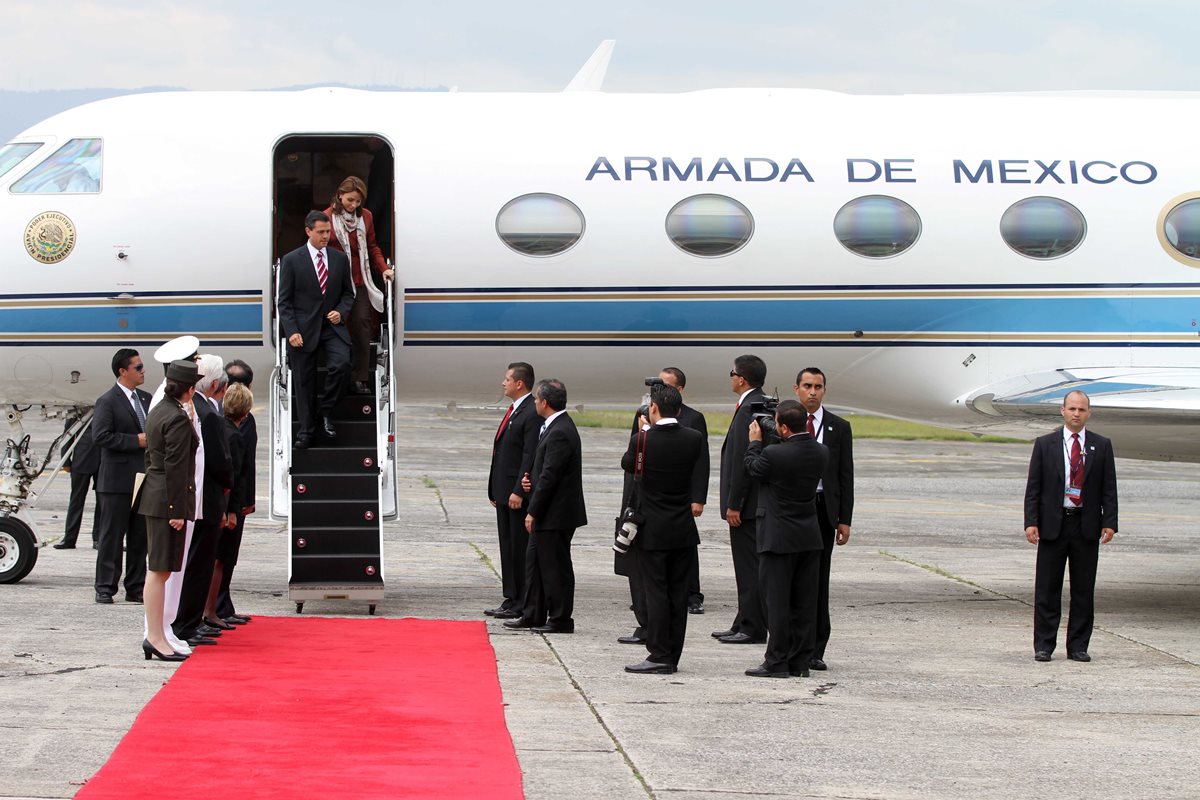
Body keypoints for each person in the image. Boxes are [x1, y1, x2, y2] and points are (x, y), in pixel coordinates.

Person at [1024, 390, 1118, 663]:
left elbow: (1108, 488)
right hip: (1054, 524)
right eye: (1072, 409)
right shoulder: (1045, 444)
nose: (1077, 414)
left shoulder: (1101, 445)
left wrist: (1109, 521)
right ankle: (1043, 644)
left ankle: (1078, 646)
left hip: (1086, 524)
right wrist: (1031, 522)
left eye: (1082, 409)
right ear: (1062, 411)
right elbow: (1034, 487)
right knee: (1047, 588)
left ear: (1089, 413)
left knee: (1083, 589)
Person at [617, 367, 709, 646]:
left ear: (654, 408)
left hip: (653, 528)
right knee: (677, 593)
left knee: (655, 590)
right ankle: (672, 652)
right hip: (681, 526)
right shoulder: (693, 438)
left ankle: (657, 651)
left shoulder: (644, 440)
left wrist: (646, 432)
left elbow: (629, 464)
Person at [743, 399, 828, 678]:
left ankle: (776, 660)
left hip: (778, 536)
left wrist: (755, 442)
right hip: (808, 536)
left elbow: (754, 469)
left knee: (776, 602)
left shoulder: (773, 453)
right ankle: (799, 662)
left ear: (782, 426)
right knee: (803, 603)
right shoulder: (821, 452)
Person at [503, 379, 587, 634]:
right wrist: (531, 482)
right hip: (549, 510)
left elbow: (552, 476)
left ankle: (561, 619)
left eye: (537, 399)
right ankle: (533, 613)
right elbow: (546, 471)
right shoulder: (553, 426)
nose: (535, 403)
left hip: (556, 514)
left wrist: (533, 510)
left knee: (554, 567)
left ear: (545, 403)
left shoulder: (560, 430)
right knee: (536, 565)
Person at [139, 359, 201, 661]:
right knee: (160, 570)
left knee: (159, 570)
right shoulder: (176, 417)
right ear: (188, 390)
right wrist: (177, 509)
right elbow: (176, 466)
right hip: (167, 499)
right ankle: (154, 636)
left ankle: (157, 635)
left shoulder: (160, 409)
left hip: (156, 494)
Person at [277, 210, 355, 448]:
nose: (325, 236)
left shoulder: (340, 259)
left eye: (328, 231)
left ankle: (325, 410)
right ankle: (306, 432)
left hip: (332, 327)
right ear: (308, 231)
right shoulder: (291, 260)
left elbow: (348, 294)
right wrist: (291, 331)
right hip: (302, 329)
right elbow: (284, 301)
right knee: (303, 381)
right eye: (321, 232)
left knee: (341, 365)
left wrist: (341, 311)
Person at [793, 367, 854, 671]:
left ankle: (816, 647)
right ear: (797, 389)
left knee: (818, 581)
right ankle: (790, 642)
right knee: (791, 579)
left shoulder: (838, 427)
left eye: (818, 386)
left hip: (822, 510)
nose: (812, 392)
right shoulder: (784, 422)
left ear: (824, 391)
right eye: (807, 386)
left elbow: (845, 475)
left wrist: (844, 518)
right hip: (792, 509)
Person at [173, 355, 233, 645]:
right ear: (213, 383)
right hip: (206, 500)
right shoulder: (205, 413)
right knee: (199, 565)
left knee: (197, 563)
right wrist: (229, 482)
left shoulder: (195, 406)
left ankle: (190, 621)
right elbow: (218, 460)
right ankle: (187, 624)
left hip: (200, 497)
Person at [323, 176, 396, 396]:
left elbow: (372, 246)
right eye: (350, 200)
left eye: (357, 201)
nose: (354, 205)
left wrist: (383, 268)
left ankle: (360, 377)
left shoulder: (366, 217)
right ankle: (337, 375)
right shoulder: (327, 217)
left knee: (363, 326)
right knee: (337, 329)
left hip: (359, 279)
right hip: (335, 282)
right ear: (340, 195)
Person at [713, 354, 768, 645]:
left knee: (748, 567)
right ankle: (742, 620)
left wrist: (734, 504)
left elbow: (741, 463)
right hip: (747, 504)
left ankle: (752, 626)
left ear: (741, 379)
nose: (731, 377)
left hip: (745, 507)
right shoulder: (752, 404)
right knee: (745, 567)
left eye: (732, 373)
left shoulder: (750, 409)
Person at [92, 348, 152, 604]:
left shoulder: (148, 399)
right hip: (116, 481)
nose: (142, 371)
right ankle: (105, 586)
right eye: (138, 367)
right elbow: (101, 437)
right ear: (123, 371)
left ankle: (136, 587)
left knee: (140, 536)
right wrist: (135, 441)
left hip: (143, 479)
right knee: (112, 537)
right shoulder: (108, 401)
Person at [485, 362, 539, 620]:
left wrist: (518, 489)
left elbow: (529, 455)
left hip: (516, 494)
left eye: (507, 379)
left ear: (520, 383)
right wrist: (496, 490)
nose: (502, 383)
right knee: (507, 546)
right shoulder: (516, 410)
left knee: (518, 548)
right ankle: (511, 597)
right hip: (504, 491)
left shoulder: (530, 411)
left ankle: (521, 600)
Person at [204, 382, 254, 627]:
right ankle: (212, 611)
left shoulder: (219, 429)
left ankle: (213, 609)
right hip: (227, 504)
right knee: (221, 559)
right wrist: (233, 510)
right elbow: (234, 477)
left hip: (217, 503)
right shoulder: (234, 436)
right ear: (245, 411)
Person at [55, 412, 100, 550]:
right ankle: (69, 538)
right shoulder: (80, 407)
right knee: (76, 501)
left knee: (104, 503)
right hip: (81, 460)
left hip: (104, 461)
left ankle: (99, 539)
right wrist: (66, 460)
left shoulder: (109, 402)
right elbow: (68, 433)